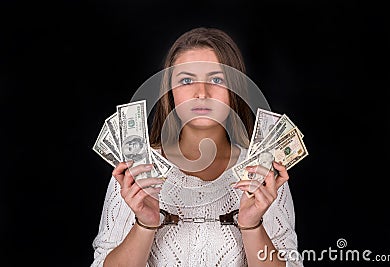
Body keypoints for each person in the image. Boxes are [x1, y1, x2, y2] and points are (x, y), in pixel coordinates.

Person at [91, 27, 303, 267]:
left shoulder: (264, 174)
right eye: (186, 80)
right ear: (170, 92)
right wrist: (145, 223)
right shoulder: (135, 170)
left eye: (216, 79)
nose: (201, 93)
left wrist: (252, 225)